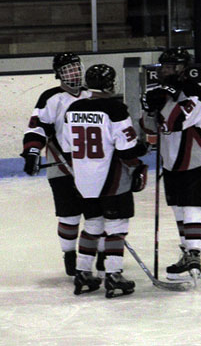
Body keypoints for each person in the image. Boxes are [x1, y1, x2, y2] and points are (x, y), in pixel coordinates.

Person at [61, 64, 149, 298]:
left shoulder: (73, 108)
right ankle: (113, 275)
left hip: (83, 181)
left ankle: (82, 273)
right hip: (111, 179)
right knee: (116, 228)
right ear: (111, 84)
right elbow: (127, 148)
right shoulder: (115, 109)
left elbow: (67, 147)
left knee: (92, 227)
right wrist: (144, 147)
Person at [20, 52, 105, 278]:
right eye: (68, 70)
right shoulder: (51, 98)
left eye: (77, 68)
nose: (74, 73)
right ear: (58, 75)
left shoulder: (94, 95)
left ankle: (103, 255)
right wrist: (32, 151)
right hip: (61, 165)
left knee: (98, 214)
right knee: (69, 215)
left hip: (93, 166)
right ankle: (69, 255)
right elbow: (37, 127)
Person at [140, 47, 201, 283]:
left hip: (193, 157)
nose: (165, 70)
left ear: (182, 69)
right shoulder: (159, 91)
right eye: (164, 66)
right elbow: (150, 128)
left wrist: (161, 104)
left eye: (170, 66)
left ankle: (194, 254)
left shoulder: (194, 91)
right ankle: (186, 252)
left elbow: (176, 121)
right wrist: (150, 109)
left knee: (192, 205)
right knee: (178, 207)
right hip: (170, 160)